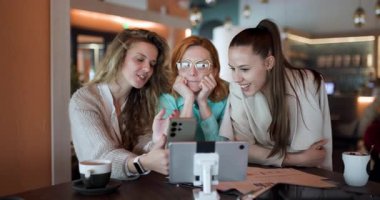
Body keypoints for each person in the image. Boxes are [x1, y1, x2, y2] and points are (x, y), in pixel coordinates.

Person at [220, 19, 333, 170]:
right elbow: (241, 148)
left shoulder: (308, 82)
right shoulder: (237, 89)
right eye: (232, 68)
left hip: (308, 175)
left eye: (244, 69)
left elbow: (316, 152)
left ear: (268, 63)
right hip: (262, 175)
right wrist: (296, 158)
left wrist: (262, 153)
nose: (236, 78)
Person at [69, 28, 172, 179]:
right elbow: (102, 158)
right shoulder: (84, 100)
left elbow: (141, 149)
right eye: (139, 59)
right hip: (98, 191)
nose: (147, 69)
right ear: (120, 57)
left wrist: (156, 141)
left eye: (152, 63)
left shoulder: (142, 100)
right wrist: (143, 162)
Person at [159, 36, 229, 141]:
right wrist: (188, 99)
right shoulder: (167, 98)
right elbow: (177, 148)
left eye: (201, 65)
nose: (192, 72)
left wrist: (203, 103)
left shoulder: (228, 95)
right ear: (177, 69)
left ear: (214, 71)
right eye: (185, 64)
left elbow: (221, 149)